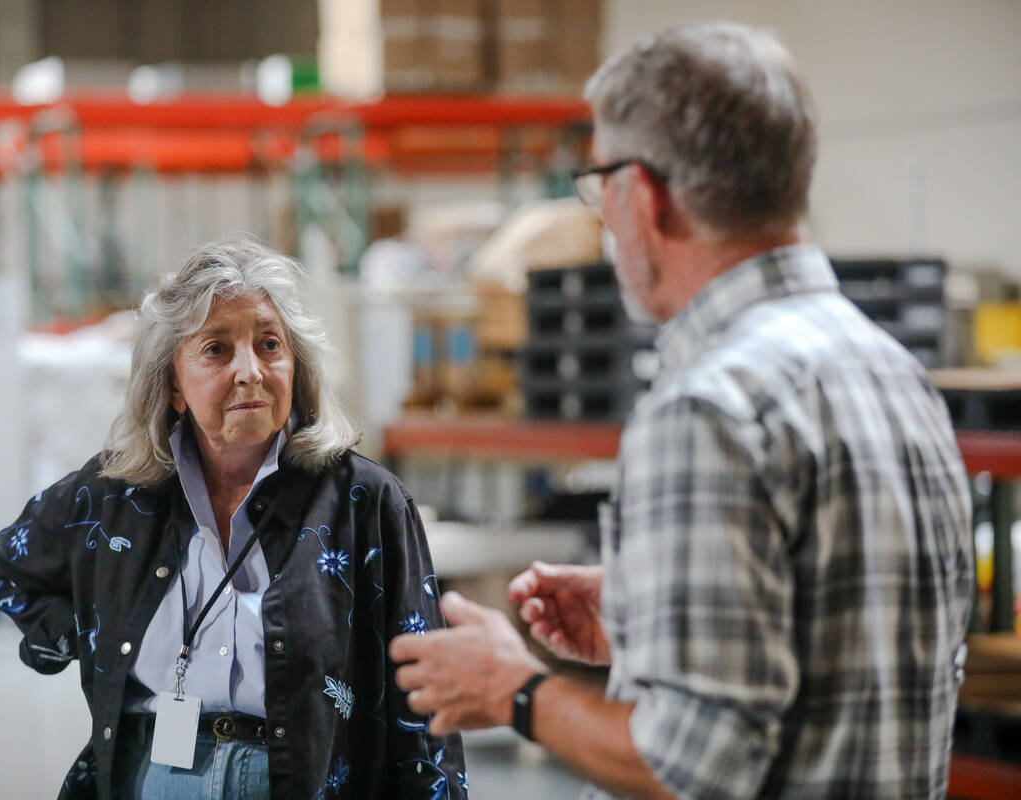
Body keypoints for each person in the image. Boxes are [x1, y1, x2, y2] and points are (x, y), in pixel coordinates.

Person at [390, 21, 973, 800]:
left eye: (598, 185)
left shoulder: (708, 409)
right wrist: (655, 617)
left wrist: (514, 688)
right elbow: (853, 655)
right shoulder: (897, 375)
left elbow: (688, 770)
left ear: (644, 196)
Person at [0, 235, 466, 800]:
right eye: (216, 349)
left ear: (297, 365)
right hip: (151, 775)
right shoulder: (117, 494)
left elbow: (424, 690)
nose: (250, 370)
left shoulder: (365, 502)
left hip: (296, 780)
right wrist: (90, 636)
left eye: (269, 344)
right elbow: (6, 567)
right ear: (173, 385)